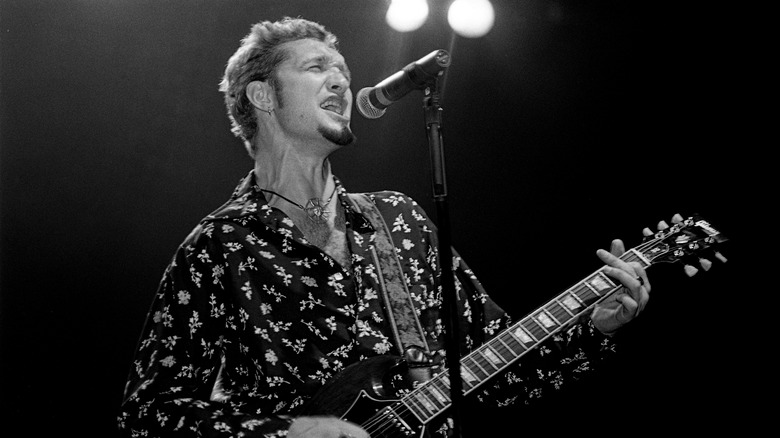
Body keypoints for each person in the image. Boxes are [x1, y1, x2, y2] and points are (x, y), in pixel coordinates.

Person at [118, 17, 657, 438]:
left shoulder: (398, 221)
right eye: (316, 68)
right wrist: (287, 430)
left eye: (344, 72)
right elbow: (149, 414)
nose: (341, 81)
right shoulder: (219, 246)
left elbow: (495, 367)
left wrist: (594, 327)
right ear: (262, 96)